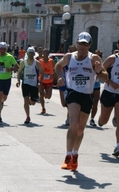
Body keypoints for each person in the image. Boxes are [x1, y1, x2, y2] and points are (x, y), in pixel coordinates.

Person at [54, 32, 108, 171]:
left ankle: (75, 154)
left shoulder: (93, 58)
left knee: (80, 128)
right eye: (80, 43)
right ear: (76, 43)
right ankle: (67, 155)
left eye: (86, 44)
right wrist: (60, 77)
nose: (83, 46)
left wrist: (98, 71)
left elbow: (105, 77)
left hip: (87, 95)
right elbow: (58, 66)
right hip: (73, 92)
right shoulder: (69, 57)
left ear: (90, 45)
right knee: (74, 124)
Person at [0, 42, 19, 123]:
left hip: (7, 79)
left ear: (6, 49)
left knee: (4, 98)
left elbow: (17, 66)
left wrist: (11, 69)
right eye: (1, 49)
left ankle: (1, 102)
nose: (2, 50)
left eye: (4, 49)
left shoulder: (10, 57)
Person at [17, 47, 44, 124]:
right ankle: (27, 117)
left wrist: (40, 82)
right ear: (27, 54)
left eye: (32, 53)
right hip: (25, 83)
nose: (31, 55)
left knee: (33, 102)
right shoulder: (23, 62)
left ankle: (30, 100)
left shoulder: (37, 63)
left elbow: (42, 72)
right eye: (29, 53)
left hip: (34, 84)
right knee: (25, 100)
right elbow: (19, 72)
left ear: (34, 54)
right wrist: (18, 81)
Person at [90, 49, 103, 127]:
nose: (99, 57)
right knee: (87, 103)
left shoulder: (102, 65)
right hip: (88, 86)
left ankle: (92, 118)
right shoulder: (89, 63)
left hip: (97, 86)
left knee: (95, 103)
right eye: (97, 55)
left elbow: (105, 76)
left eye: (100, 55)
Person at [39, 48, 55, 114]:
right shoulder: (40, 61)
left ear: (48, 54)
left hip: (49, 81)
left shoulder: (51, 61)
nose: (45, 54)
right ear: (42, 53)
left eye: (47, 52)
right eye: (44, 52)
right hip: (41, 81)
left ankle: (45, 95)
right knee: (41, 95)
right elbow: (37, 69)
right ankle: (43, 108)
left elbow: (55, 69)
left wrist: (53, 75)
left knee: (48, 96)